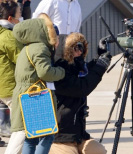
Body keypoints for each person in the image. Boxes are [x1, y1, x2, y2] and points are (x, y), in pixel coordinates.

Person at [8, 13, 65, 154]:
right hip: (35, 97)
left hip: (27, 94)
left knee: (30, 137)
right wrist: (61, 72)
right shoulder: (40, 48)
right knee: (47, 135)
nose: (57, 39)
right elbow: (45, 72)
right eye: (56, 36)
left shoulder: (29, 47)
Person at [49, 32, 111, 154]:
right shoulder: (58, 72)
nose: (79, 52)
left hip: (78, 135)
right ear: (65, 49)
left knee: (99, 151)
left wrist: (101, 56)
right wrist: (100, 66)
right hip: (59, 136)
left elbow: (86, 70)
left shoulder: (74, 66)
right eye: (75, 47)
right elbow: (82, 87)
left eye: (82, 47)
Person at [0, 0, 23, 146]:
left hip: (3, 84)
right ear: (10, 18)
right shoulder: (8, 36)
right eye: (19, 15)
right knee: (22, 127)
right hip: (9, 86)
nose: (20, 18)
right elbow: (22, 59)